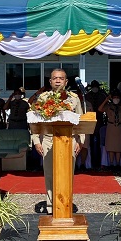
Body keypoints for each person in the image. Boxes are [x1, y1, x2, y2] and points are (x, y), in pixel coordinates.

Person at [31, 68, 83, 214]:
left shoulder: (74, 98)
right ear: (50, 81)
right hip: (48, 140)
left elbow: (81, 120)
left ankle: (65, 205)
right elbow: (36, 121)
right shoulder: (43, 98)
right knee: (49, 174)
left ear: (66, 81)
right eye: (55, 78)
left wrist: (81, 140)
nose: (58, 81)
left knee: (67, 174)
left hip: (69, 140)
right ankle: (50, 206)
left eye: (61, 78)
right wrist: (36, 140)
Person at [98, 89, 121, 170]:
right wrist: (106, 100)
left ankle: (117, 164)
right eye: (114, 97)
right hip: (111, 126)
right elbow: (100, 109)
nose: (116, 99)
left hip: (120, 127)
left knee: (118, 147)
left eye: (117, 97)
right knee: (111, 146)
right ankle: (111, 164)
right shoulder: (108, 106)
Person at [84, 80, 107, 169]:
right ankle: (92, 162)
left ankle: (98, 162)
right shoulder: (87, 96)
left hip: (100, 121)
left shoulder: (102, 95)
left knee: (99, 143)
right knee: (90, 143)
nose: (95, 88)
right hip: (89, 121)